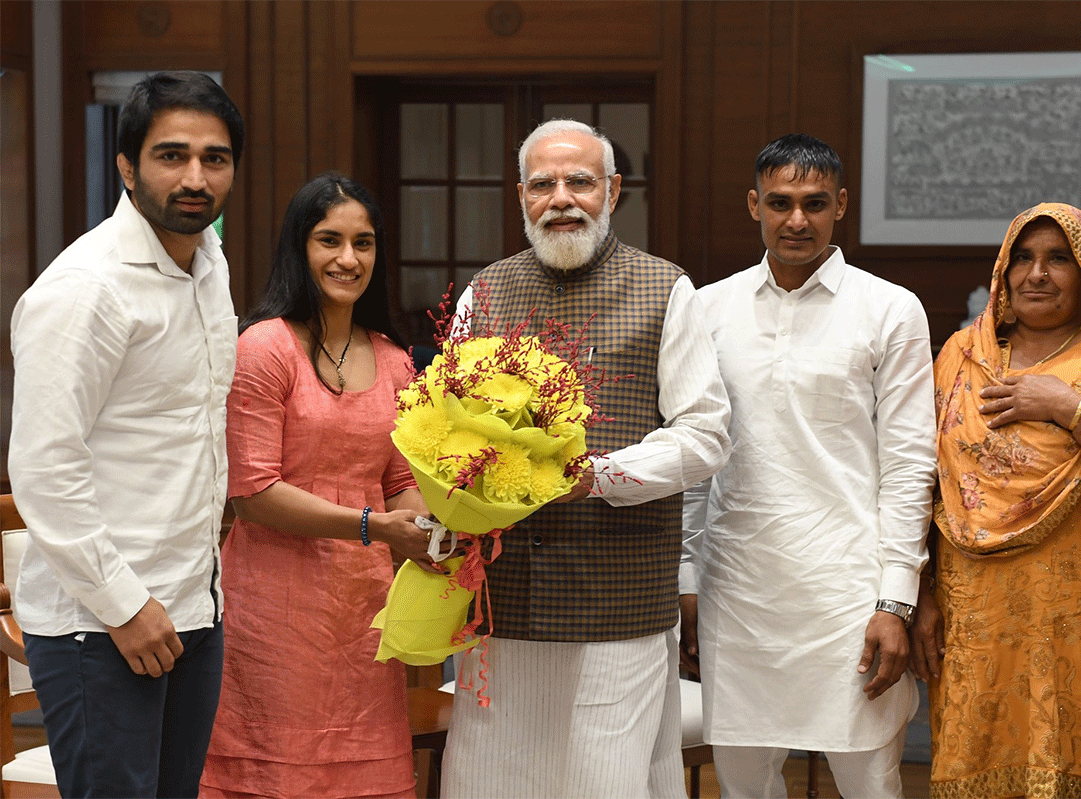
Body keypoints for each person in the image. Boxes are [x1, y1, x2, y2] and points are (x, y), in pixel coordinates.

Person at [441, 118, 732, 799]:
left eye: (580, 181)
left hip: (616, 597)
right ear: (520, 195)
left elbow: (705, 435)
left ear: (614, 189)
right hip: (504, 600)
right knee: (495, 774)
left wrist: (596, 476)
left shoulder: (665, 289)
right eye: (543, 184)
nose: (562, 198)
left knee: (604, 778)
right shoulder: (483, 293)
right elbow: (444, 426)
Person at [679, 133, 937, 799]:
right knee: (741, 783)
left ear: (841, 205)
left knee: (870, 779)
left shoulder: (890, 308)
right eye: (781, 202)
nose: (797, 219)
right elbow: (693, 455)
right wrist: (686, 577)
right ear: (753, 205)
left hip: (847, 591)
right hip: (738, 589)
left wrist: (895, 600)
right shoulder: (707, 308)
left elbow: (910, 462)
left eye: (815, 203)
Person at [8, 71, 243, 798]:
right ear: (126, 166)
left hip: (193, 604)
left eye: (215, 157)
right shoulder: (87, 287)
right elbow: (45, 469)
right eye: (171, 155)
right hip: (102, 621)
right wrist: (123, 606)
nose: (195, 177)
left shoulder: (208, 263)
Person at [910, 202, 1081, 798]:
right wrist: (922, 590)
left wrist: (1069, 409)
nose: (1037, 274)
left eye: (1058, 258)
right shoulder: (961, 356)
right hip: (977, 619)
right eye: (1024, 257)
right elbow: (920, 481)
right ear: (1003, 270)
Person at [199, 173, 438, 799]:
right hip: (276, 610)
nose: (347, 259)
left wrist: (432, 526)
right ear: (298, 249)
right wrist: (371, 526)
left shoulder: (392, 357)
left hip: (365, 612)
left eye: (363, 243)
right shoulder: (264, 347)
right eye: (328, 240)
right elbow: (252, 490)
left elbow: (400, 478)